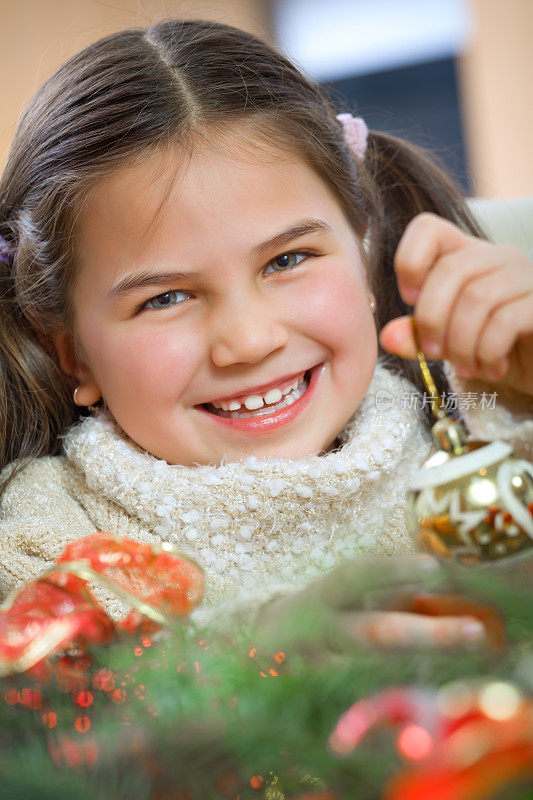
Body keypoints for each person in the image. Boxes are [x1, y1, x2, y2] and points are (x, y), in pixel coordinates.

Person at [0, 19, 532, 655]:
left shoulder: (485, 436)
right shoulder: (46, 542)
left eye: (287, 260)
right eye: (166, 297)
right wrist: (254, 658)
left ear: (362, 256)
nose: (249, 341)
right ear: (72, 354)